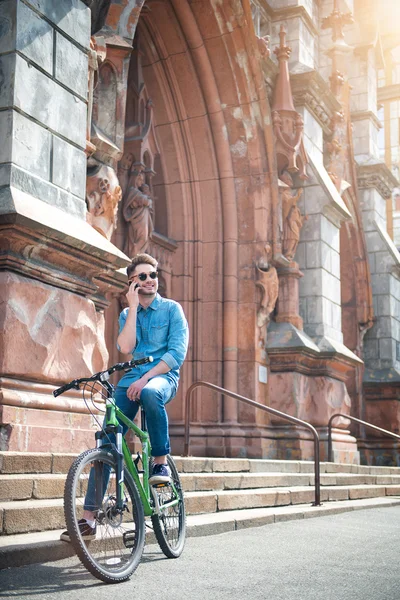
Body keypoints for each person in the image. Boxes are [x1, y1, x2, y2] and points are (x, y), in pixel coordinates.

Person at [60, 252, 189, 541]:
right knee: (106, 438)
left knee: (151, 392)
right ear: (132, 283)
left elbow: (176, 353)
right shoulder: (126, 314)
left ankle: (159, 462)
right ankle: (89, 519)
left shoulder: (172, 310)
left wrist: (146, 378)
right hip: (131, 379)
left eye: (153, 275)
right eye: (142, 276)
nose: (150, 280)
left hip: (162, 377)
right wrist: (131, 307)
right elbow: (126, 346)